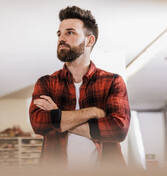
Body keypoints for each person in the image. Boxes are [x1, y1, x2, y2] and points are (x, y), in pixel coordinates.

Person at [29, 6, 130, 167]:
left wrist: (58, 116)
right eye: (59, 33)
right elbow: (39, 123)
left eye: (70, 32)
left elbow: (118, 129)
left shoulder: (112, 82)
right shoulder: (46, 83)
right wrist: (92, 112)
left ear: (89, 40)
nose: (61, 38)